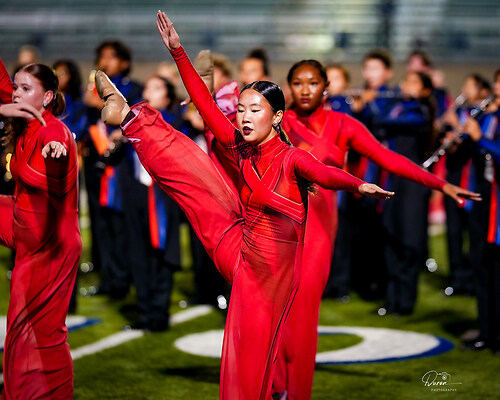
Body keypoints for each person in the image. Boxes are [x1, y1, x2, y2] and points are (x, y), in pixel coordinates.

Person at [95, 11, 393, 400]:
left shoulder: (291, 158)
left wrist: (359, 185)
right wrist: (177, 51)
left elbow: (324, 174)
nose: (246, 118)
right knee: (194, 176)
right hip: (239, 250)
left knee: (266, 348)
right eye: (241, 110)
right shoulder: (239, 143)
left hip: (275, 270)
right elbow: (205, 109)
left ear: (277, 116)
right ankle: (128, 115)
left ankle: (278, 391)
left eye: (255, 110)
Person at [272, 60, 480, 400]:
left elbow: (389, 159)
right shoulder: (277, 121)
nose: (305, 89)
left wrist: (440, 184)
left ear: (326, 87)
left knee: (304, 310)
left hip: (319, 225)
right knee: (275, 308)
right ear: (289, 86)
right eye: (297, 82)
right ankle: (275, 384)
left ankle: (295, 392)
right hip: (278, 224)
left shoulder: (343, 124)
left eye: (312, 82)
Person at [0, 61, 82, 399]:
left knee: (39, 333)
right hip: (23, 224)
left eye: (26, 89)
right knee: (20, 332)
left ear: (47, 97)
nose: (16, 94)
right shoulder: (23, 117)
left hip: (51, 244)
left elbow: (55, 139)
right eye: (15, 87)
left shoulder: (52, 130)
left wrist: (57, 153)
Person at [443, 73, 495, 296]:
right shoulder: (461, 112)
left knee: (476, 233)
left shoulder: (485, 116)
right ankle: (457, 278)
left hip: (477, 180)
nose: (464, 91)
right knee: (453, 231)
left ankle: (475, 279)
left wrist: (462, 129)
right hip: (455, 176)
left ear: (483, 90)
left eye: (469, 86)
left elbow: (482, 143)